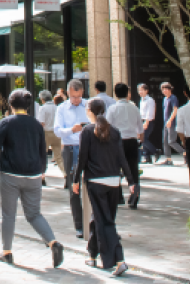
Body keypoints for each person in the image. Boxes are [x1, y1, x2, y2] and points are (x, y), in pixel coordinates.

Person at [0, 89, 65, 269]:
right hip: (33, 175)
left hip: (10, 175)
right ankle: (53, 242)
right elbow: (42, 151)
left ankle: (7, 252)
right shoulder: (37, 125)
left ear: (11, 104)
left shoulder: (6, 122)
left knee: (8, 215)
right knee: (34, 214)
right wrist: (41, 170)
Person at [71, 98, 135, 277]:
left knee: (105, 221)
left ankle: (119, 259)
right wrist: (131, 181)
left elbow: (82, 158)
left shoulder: (87, 131)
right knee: (99, 218)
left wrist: (75, 181)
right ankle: (92, 254)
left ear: (90, 110)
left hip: (96, 183)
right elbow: (121, 158)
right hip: (114, 182)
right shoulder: (114, 131)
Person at [54, 78, 89, 238]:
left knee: (91, 184)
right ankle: (79, 226)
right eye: (74, 97)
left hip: (87, 148)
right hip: (69, 148)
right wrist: (71, 130)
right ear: (68, 93)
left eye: (79, 96)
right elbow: (57, 130)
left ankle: (92, 221)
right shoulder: (61, 108)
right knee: (74, 188)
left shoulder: (88, 105)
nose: (76, 100)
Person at [105, 83, 143, 209]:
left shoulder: (112, 109)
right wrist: (140, 141)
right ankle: (134, 197)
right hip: (132, 141)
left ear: (115, 94)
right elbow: (140, 128)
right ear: (127, 93)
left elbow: (107, 127)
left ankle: (118, 196)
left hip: (117, 141)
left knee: (115, 169)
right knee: (133, 169)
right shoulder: (134, 108)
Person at [37, 90, 63, 174]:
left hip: (46, 133)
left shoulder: (43, 108)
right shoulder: (57, 107)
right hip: (57, 133)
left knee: (42, 155)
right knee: (59, 157)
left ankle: (42, 174)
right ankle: (66, 175)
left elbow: (41, 123)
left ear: (42, 99)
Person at [161, 82, 184, 164]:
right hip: (165, 123)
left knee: (171, 141)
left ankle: (184, 153)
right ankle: (168, 160)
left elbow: (175, 110)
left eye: (166, 89)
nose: (164, 91)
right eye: (163, 89)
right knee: (165, 142)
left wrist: (170, 120)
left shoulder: (173, 98)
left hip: (172, 123)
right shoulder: (165, 99)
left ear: (170, 89)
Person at [138, 84, 159, 164]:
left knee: (143, 138)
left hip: (148, 121)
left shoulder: (150, 100)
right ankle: (147, 157)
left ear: (146, 91)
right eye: (139, 90)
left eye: (142, 90)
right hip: (142, 120)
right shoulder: (141, 100)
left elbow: (150, 112)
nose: (140, 92)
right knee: (143, 138)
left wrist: (146, 122)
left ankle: (156, 151)